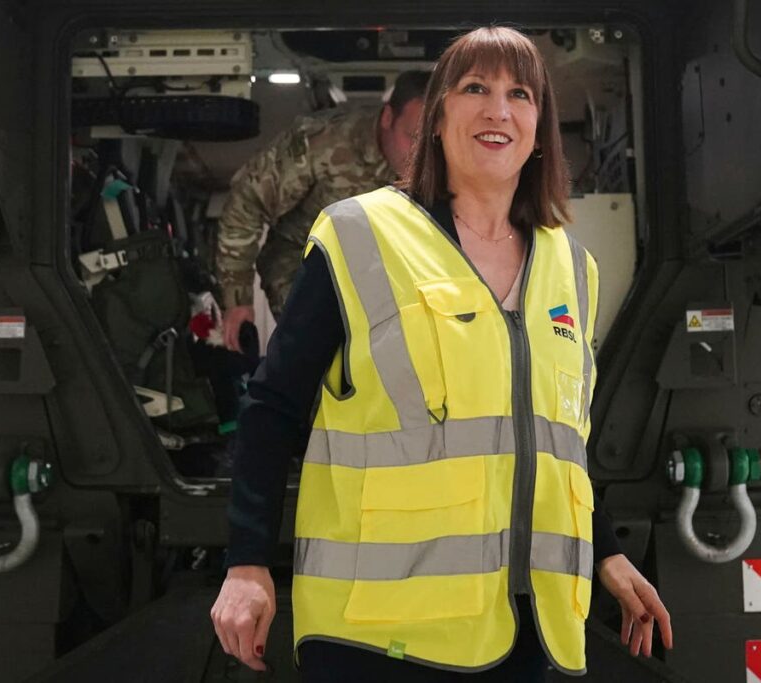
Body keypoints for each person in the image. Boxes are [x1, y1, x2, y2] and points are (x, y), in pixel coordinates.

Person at [211, 27, 673, 680]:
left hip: (526, 630)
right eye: (475, 88)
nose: (498, 110)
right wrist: (246, 561)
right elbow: (272, 405)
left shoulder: (572, 267)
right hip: (378, 636)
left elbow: (555, 442)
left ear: (540, 130)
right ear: (436, 119)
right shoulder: (360, 234)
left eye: (520, 94)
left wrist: (606, 552)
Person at [216, 70, 430, 351]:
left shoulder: (449, 157)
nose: (420, 153)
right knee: (321, 348)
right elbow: (248, 202)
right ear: (388, 118)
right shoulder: (322, 142)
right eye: (412, 137)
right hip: (306, 260)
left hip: (389, 269)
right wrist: (238, 300)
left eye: (430, 141)